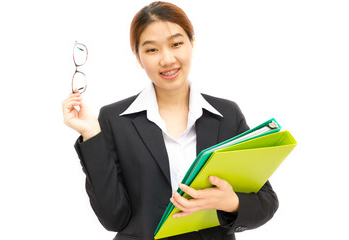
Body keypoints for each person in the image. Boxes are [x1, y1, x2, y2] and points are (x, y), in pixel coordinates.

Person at [62, 1, 278, 240]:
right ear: (138, 57)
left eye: (176, 44)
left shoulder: (226, 114)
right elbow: (113, 218)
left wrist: (231, 202)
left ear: (192, 43)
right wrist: (92, 134)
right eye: (152, 50)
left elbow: (266, 202)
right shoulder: (114, 119)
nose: (167, 59)